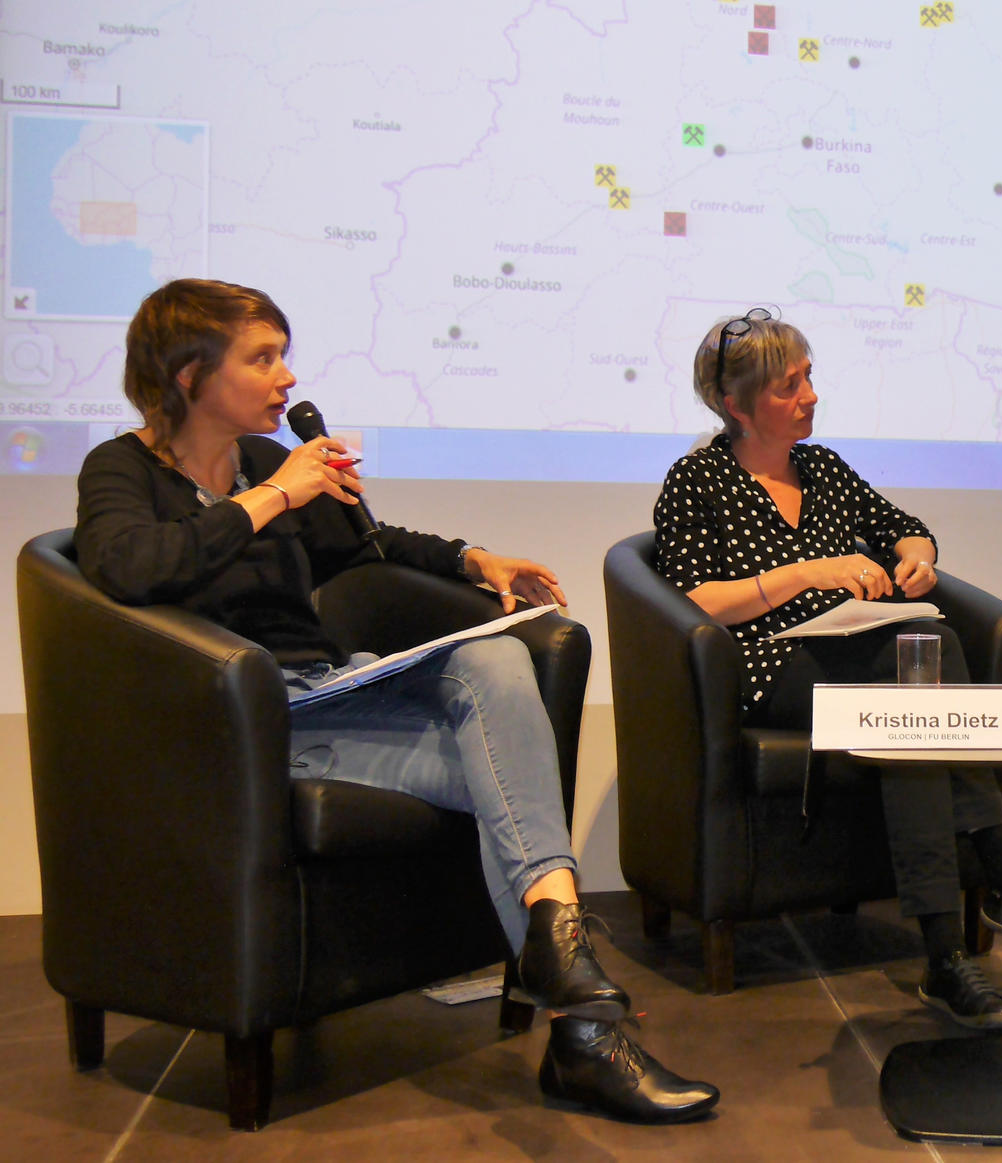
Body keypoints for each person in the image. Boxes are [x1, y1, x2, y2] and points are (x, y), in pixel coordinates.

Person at [75, 278, 719, 1123]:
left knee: (493, 660)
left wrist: (472, 559)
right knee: (513, 784)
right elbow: (129, 567)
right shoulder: (124, 469)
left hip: (330, 693)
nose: (285, 377)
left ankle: (568, 985)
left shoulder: (264, 461)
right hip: (245, 725)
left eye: (283, 355)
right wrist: (275, 497)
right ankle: (587, 1040)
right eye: (262, 358)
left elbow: (369, 547)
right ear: (189, 373)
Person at [650, 308, 1002, 1028]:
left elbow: (905, 529)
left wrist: (917, 560)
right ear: (738, 405)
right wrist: (807, 572)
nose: (811, 395)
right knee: (913, 675)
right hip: (766, 666)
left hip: (857, 656)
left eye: (810, 376)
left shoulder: (823, 468)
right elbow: (695, 599)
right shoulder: (698, 479)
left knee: (920, 674)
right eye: (790, 386)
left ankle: (949, 953)